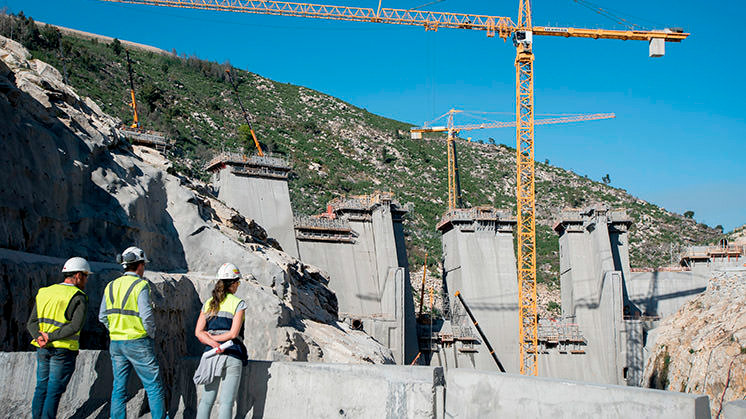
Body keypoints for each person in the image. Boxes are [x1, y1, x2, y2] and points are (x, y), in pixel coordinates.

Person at [99, 246, 167, 419]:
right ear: (139, 265)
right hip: (138, 341)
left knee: (119, 388)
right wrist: (150, 334)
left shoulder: (111, 286)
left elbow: (103, 316)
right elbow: (147, 316)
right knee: (153, 386)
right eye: (143, 264)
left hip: (116, 343)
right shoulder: (141, 285)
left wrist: (115, 330)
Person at [27, 256, 91, 419]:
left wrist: (40, 337)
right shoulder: (78, 296)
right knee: (54, 390)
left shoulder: (44, 292)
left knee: (41, 387)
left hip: (42, 348)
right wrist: (51, 337)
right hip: (62, 350)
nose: (86, 280)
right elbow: (75, 326)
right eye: (85, 276)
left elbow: (31, 322)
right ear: (77, 276)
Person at [194, 262, 248, 419]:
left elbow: (198, 332)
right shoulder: (239, 303)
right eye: (237, 282)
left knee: (206, 401)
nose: (238, 285)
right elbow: (233, 334)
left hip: (211, 355)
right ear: (233, 284)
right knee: (226, 403)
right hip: (233, 354)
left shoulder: (208, 304)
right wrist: (219, 342)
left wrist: (213, 343)